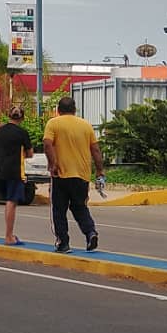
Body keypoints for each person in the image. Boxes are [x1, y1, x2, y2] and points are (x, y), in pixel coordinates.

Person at [43, 96, 105, 253]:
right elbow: (96, 150)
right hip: (82, 175)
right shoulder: (86, 125)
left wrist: (53, 164)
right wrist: (99, 171)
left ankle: (63, 243)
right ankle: (90, 232)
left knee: (58, 210)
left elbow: (47, 144)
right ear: (74, 109)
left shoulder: (53, 123)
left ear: (58, 110)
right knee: (80, 207)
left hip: (61, 174)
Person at [0, 105, 33, 246]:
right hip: (15, 171)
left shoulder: (0, 132)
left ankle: (9, 234)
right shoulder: (22, 133)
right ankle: (8, 236)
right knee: (12, 202)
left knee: (8, 201)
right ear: (22, 117)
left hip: (1, 171)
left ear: (8, 116)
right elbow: (30, 153)